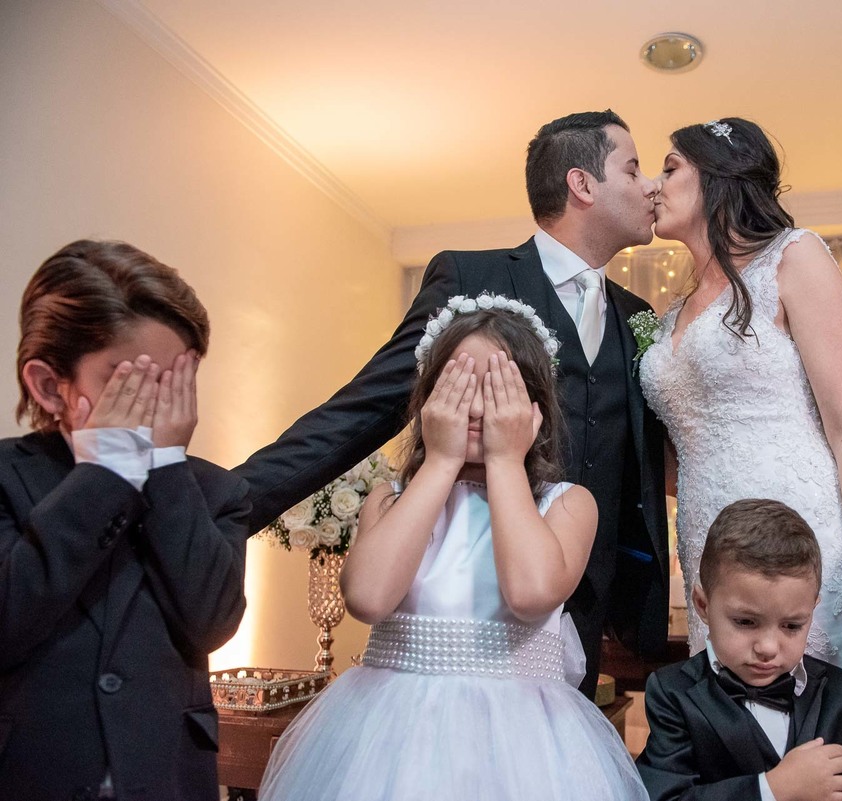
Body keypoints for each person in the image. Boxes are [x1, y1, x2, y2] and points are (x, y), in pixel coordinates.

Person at [235, 110, 669, 697]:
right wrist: (227, 504)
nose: (651, 186)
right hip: (469, 589)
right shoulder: (471, 275)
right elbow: (368, 406)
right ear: (582, 184)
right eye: (633, 167)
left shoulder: (637, 315)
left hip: (587, 597)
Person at [258, 297, 649, 800]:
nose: (477, 406)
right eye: (458, 385)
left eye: (497, 388)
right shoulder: (390, 500)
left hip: (523, 747)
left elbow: (531, 594)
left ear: (535, 407)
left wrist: (506, 460)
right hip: (389, 737)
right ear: (427, 399)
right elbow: (368, 599)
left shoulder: (567, 505)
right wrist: (440, 462)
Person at [640, 118, 842, 695]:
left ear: (719, 176)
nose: (654, 185)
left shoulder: (793, 259)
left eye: (671, 168)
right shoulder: (671, 311)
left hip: (803, 536)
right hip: (710, 554)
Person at [0, 240, 249, 801]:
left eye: (173, 382)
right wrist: (104, 477)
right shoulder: (5, 478)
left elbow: (212, 623)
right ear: (48, 385)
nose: (156, 405)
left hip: (165, 778)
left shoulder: (214, 491)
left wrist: (162, 466)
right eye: (131, 381)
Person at [636, 499, 842, 801]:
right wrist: (773, 789)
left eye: (791, 626)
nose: (767, 648)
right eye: (745, 622)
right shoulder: (673, 694)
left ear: (811, 610)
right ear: (703, 604)